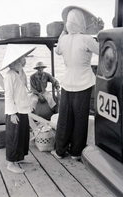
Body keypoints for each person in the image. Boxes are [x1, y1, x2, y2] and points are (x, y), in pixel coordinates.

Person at [52, 6, 104, 160]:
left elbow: (57, 50)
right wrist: (99, 30)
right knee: (80, 118)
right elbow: (102, 49)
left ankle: (60, 150)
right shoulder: (87, 39)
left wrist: (64, 30)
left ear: (68, 23)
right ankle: (76, 152)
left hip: (67, 82)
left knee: (65, 118)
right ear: (81, 22)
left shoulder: (63, 40)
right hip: (84, 82)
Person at [0, 44, 36, 174]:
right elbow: (8, 96)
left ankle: (19, 158)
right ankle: (11, 163)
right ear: (15, 61)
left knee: (22, 136)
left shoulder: (19, 73)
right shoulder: (10, 75)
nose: (25, 60)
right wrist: (12, 113)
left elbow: (23, 91)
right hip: (15, 111)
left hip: (23, 109)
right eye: (22, 58)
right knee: (13, 137)